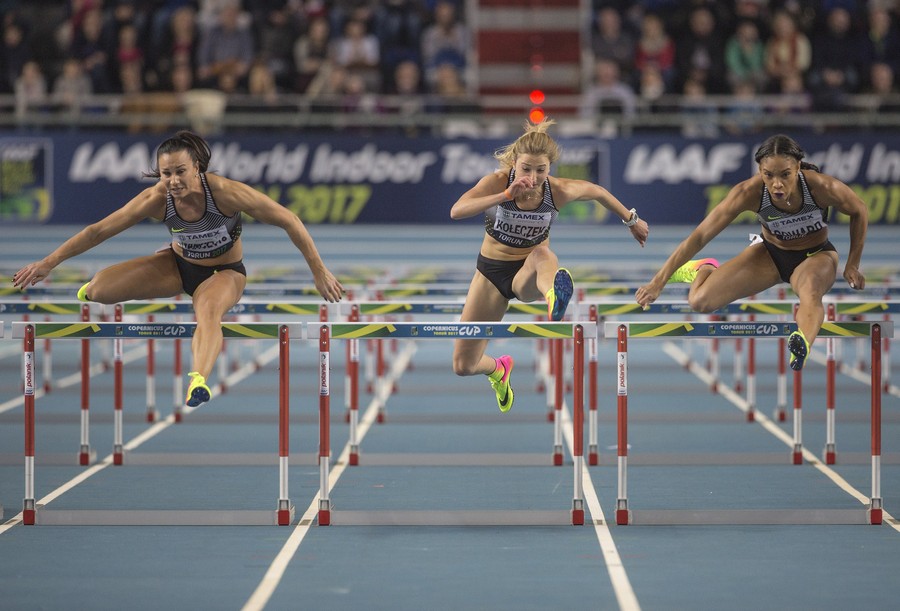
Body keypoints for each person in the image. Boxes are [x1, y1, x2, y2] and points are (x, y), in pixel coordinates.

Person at [12, 130, 344, 407]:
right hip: (177, 265)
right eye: (166, 173)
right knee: (98, 290)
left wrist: (319, 271)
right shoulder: (156, 199)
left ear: (197, 167)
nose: (172, 181)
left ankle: (198, 380)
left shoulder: (225, 193)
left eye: (180, 172)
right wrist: (48, 263)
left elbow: (290, 220)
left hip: (224, 273)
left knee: (209, 312)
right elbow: (98, 230)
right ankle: (94, 288)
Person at [450, 119, 649, 412]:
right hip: (490, 273)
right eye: (526, 168)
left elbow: (598, 192)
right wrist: (505, 196)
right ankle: (498, 369)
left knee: (543, 255)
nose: (533, 176)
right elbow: (457, 210)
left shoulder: (558, 191)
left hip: (528, 273)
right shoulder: (497, 182)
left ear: (550, 168)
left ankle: (554, 296)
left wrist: (631, 220)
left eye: (541, 169)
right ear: (515, 163)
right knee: (463, 366)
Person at [635, 134, 868, 371]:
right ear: (760, 170)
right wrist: (658, 282)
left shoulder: (821, 187)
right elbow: (699, 237)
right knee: (699, 302)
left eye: (785, 175)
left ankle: (802, 344)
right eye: (768, 175)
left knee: (810, 291)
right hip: (769, 255)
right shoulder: (748, 192)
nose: (777, 184)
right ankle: (705, 268)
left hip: (815, 256)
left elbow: (859, 210)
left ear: (798, 167)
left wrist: (852, 264)